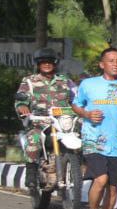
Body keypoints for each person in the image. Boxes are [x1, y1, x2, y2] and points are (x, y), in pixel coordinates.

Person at [71, 47, 117, 209]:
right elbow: (76, 104)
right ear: (102, 64)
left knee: (113, 187)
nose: (115, 64)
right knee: (101, 179)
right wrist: (87, 114)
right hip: (94, 139)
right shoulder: (88, 84)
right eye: (111, 60)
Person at [14, 47, 76, 190]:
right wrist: (22, 107)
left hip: (62, 123)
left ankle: (75, 170)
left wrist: (82, 109)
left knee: (79, 138)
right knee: (34, 138)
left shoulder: (65, 81)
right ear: (38, 64)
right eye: (43, 62)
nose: (47, 64)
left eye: (50, 61)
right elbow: (20, 100)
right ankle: (31, 172)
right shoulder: (29, 81)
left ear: (55, 63)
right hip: (39, 122)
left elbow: (77, 98)